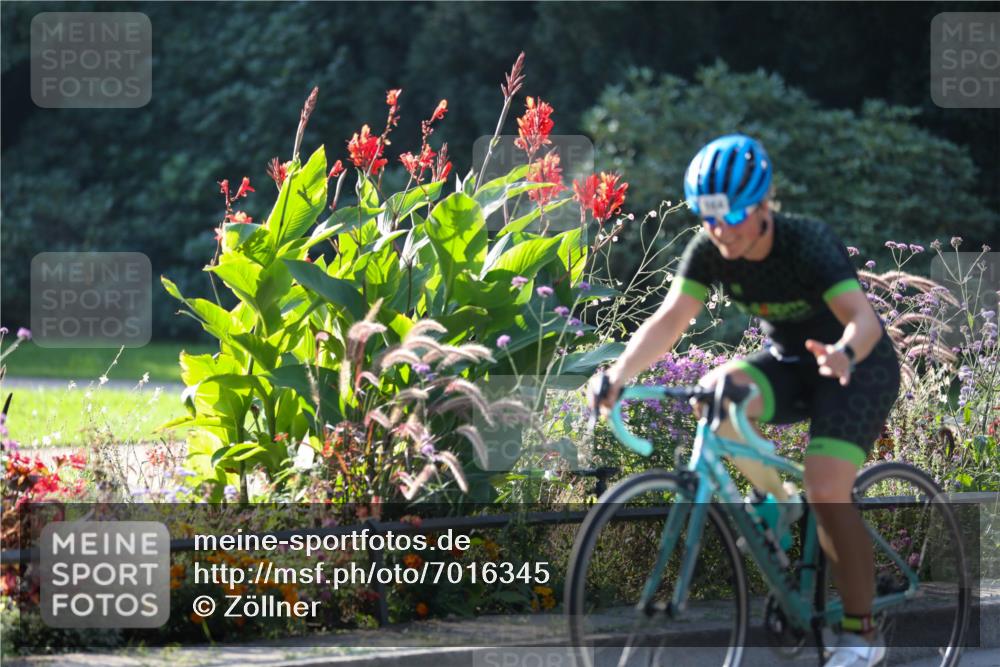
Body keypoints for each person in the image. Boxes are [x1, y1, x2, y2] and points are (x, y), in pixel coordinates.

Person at [588, 134, 901, 667]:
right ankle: (777, 499)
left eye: (732, 216)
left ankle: (862, 633)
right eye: (708, 217)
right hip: (788, 363)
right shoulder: (710, 251)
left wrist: (845, 354)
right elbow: (669, 321)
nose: (720, 229)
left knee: (827, 488)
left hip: (856, 367)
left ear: (763, 205)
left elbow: (863, 319)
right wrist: (616, 374)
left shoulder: (806, 243)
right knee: (713, 393)